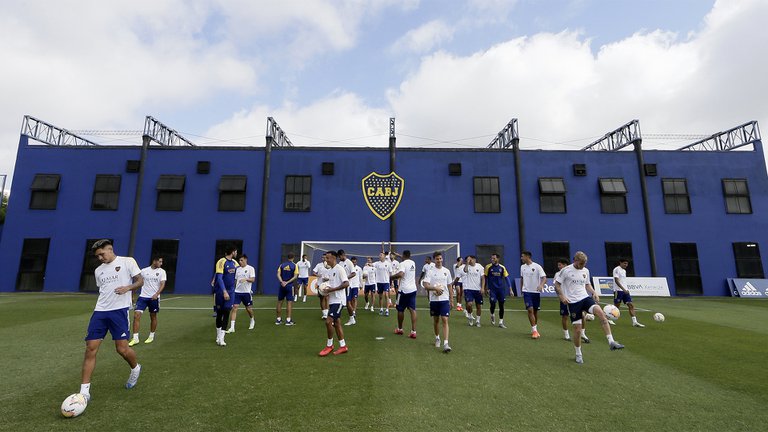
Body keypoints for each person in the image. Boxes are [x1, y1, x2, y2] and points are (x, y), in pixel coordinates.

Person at [79, 239, 143, 401]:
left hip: (119, 312)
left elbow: (140, 280)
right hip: (100, 311)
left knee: (122, 349)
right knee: (90, 348)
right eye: (97, 256)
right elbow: (103, 291)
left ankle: (135, 368)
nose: (100, 258)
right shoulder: (98, 271)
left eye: (102, 254)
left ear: (110, 249)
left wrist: (127, 288)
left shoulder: (127, 261)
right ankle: (84, 392)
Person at [555, 251, 624, 364]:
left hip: (585, 298)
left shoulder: (586, 270)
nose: (583, 266)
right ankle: (578, 354)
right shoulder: (565, 270)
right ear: (575, 260)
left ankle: (611, 342)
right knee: (577, 330)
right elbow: (557, 285)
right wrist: (562, 296)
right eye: (581, 263)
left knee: (601, 313)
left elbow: (587, 284)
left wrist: (594, 292)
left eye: (584, 264)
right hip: (573, 302)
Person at [128, 255, 166, 346]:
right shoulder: (144, 271)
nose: (161, 263)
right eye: (159, 261)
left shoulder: (162, 272)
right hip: (143, 297)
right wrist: (133, 295)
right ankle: (135, 338)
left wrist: (156, 294)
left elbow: (162, 284)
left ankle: (151, 335)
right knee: (136, 315)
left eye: (161, 262)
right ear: (154, 261)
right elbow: (138, 283)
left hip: (154, 298)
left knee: (153, 317)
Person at [318, 250, 350, 356]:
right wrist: (325, 289)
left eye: (328, 258)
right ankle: (343, 346)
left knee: (328, 322)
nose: (326, 260)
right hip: (332, 301)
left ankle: (329, 345)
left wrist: (332, 290)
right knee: (336, 323)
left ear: (334, 258)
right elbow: (331, 285)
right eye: (325, 258)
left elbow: (346, 283)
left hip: (339, 300)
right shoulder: (330, 271)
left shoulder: (340, 269)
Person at [423, 251, 453, 353]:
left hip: (445, 299)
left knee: (445, 319)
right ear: (434, 260)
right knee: (436, 321)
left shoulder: (447, 271)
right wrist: (434, 289)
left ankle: (446, 343)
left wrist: (452, 299)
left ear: (442, 259)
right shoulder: (430, 271)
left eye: (440, 258)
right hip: (434, 300)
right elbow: (426, 285)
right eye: (437, 259)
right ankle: (437, 338)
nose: (439, 260)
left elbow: (449, 285)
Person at [214, 245, 238, 346]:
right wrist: (224, 291)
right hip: (220, 292)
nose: (236, 253)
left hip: (231, 292)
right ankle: (218, 336)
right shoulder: (221, 262)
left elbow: (238, 275)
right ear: (232, 252)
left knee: (227, 312)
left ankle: (222, 338)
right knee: (219, 314)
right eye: (236, 251)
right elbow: (219, 278)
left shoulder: (235, 263)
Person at [520, 251, 546, 339]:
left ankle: (534, 327)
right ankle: (534, 331)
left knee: (535, 311)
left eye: (522, 256)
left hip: (535, 292)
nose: (521, 258)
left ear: (528, 257)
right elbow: (522, 278)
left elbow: (544, 278)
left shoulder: (537, 266)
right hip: (526, 291)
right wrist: (521, 289)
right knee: (530, 310)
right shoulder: (522, 267)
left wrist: (541, 285)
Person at [392, 250, 418, 338]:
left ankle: (400, 329)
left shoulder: (402, 264)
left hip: (403, 290)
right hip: (413, 289)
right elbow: (405, 259)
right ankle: (413, 331)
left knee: (400, 309)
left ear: (403, 255)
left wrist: (391, 277)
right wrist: (398, 255)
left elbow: (401, 274)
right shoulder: (412, 263)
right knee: (412, 309)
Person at [613, 258, 645, 328]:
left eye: (627, 263)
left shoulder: (624, 271)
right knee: (616, 307)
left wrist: (626, 289)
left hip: (625, 291)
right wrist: (623, 289)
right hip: (618, 291)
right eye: (624, 263)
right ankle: (608, 319)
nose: (626, 265)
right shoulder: (616, 269)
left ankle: (634, 322)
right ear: (620, 263)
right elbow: (616, 280)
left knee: (631, 305)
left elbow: (623, 281)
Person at [228, 254, 256, 332]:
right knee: (234, 308)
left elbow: (253, 279)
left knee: (248, 308)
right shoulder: (238, 269)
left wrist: (246, 279)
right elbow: (236, 280)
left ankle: (252, 320)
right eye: (239, 260)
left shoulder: (251, 268)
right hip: (237, 292)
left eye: (242, 260)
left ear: (245, 260)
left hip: (246, 292)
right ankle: (232, 327)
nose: (240, 262)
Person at [484, 253, 512, 329]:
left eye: (494, 258)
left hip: (501, 290)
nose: (492, 260)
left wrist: (510, 289)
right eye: (491, 258)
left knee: (501, 305)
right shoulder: (488, 267)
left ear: (498, 259)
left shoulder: (502, 268)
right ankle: (492, 314)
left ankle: (501, 322)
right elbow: (485, 278)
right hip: (492, 290)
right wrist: (485, 288)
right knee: (492, 303)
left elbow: (507, 278)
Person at [462, 255, 485, 327]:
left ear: (474, 260)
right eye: (468, 260)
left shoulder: (480, 267)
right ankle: (470, 316)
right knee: (469, 304)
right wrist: (467, 263)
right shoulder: (467, 266)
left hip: (477, 289)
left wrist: (482, 288)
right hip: (469, 289)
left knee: (479, 306)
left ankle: (478, 321)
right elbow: (465, 270)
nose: (469, 261)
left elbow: (483, 278)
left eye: (470, 259)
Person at [276, 253, 298, 326]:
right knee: (289, 303)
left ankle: (278, 320)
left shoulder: (282, 265)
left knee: (279, 302)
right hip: (289, 286)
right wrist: (287, 282)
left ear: (287, 257)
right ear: (293, 258)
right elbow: (295, 276)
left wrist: (282, 281)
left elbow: (278, 274)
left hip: (282, 286)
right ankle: (288, 320)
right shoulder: (294, 265)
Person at [345, 256, 363, 326]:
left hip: (355, 285)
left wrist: (361, 285)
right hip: (349, 285)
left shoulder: (359, 268)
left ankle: (354, 311)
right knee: (349, 300)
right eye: (353, 262)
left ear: (356, 262)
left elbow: (360, 277)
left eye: (355, 262)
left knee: (354, 299)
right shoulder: (349, 267)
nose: (354, 263)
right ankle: (351, 311)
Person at [373, 252, 393, 316]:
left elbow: (390, 273)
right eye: (379, 255)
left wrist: (391, 282)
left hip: (386, 282)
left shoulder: (388, 264)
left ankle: (387, 310)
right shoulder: (377, 263)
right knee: (380, 297)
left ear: (384, 256)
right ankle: (381, 309)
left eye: (381, 255)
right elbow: (371, 264)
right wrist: (367, 264)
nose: (379, 256)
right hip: (379, 282)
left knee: (386, 295)